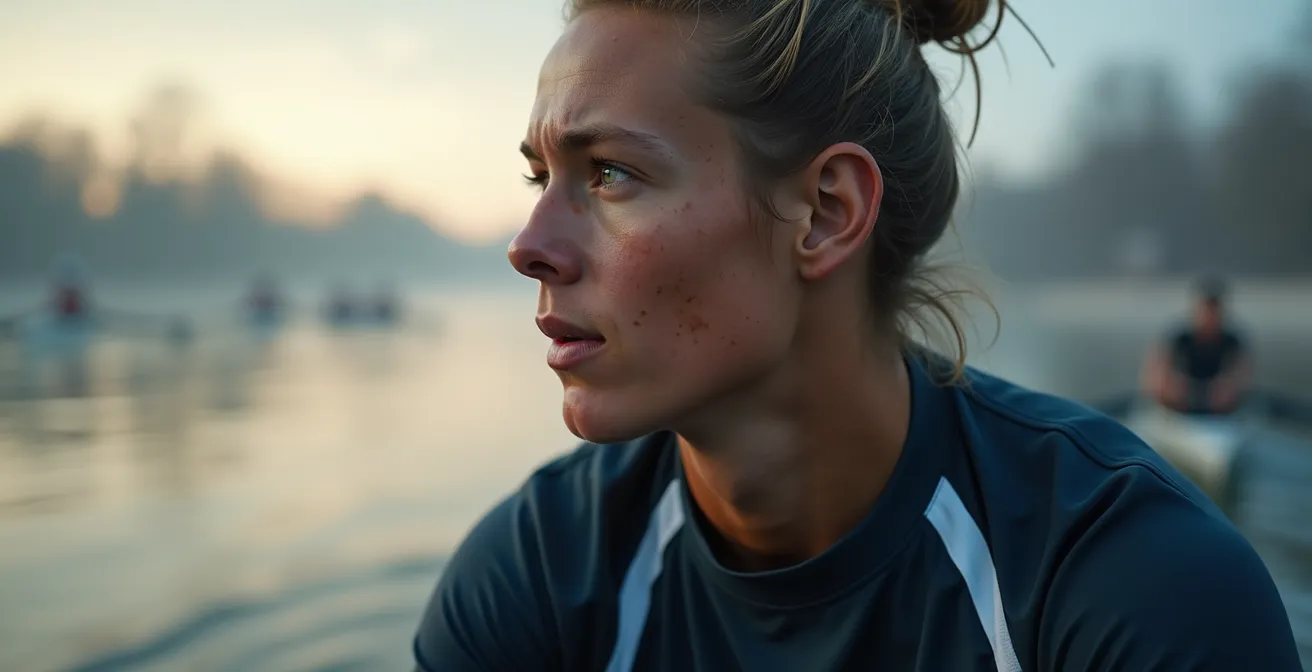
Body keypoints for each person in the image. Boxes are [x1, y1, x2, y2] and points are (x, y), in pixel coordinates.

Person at [414, 1, 1301, 670]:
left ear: (828, 213)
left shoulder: (1137, 591)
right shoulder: (532, 579)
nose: (529, 246)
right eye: (541, 175)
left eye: (608, 172)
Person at [1142, 277, 1251, 416]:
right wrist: (1169, 387)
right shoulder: (1177, 339)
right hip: (1179, 408)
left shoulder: (1233, 343)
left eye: (1213, 311)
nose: (1209, 317)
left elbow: (1243, 377)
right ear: (1196, 309)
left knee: (1227, 391)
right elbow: (1153, 378)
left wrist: (1231, 387)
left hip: (1221, 411)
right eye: (1205, 310)